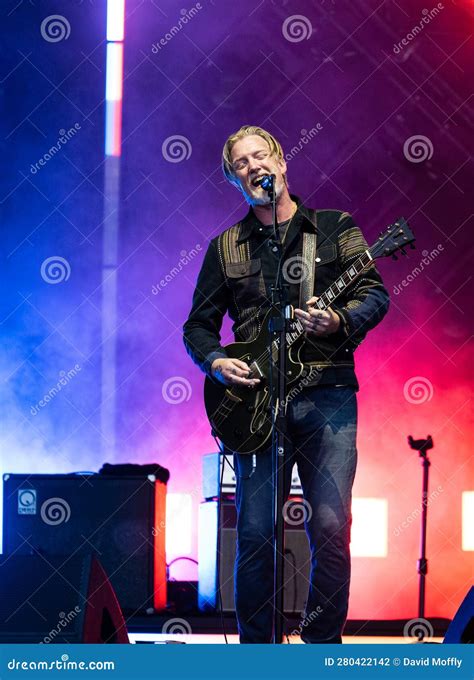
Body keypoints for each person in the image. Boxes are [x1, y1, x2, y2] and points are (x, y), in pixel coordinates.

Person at [183, 125, 389, 643]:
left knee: (328, 526)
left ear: (281, 160)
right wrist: (215, 363)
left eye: (260, 156)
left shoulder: (335, 227)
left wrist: (339, 322)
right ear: (233, 179)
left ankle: (321, 646)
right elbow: (198, 326)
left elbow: (374, 295)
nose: (254, 166)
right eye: (241, 163)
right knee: (255, 532)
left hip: (329, 398)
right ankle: (258, 651)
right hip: (256, 405)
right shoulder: (225, 247)